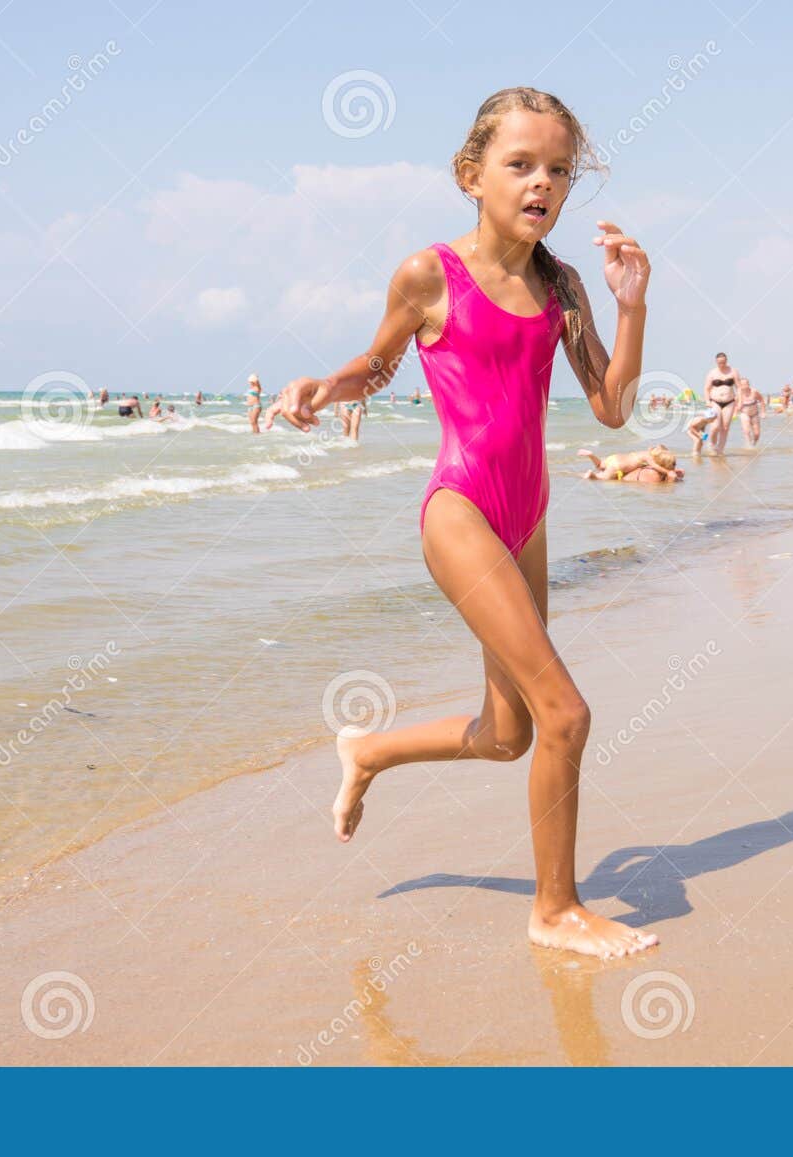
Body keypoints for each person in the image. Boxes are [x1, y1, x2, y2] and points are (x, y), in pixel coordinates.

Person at [275, 87, 658, 960]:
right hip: (461, 511)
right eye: (521, 165)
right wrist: (322, 387)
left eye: (559, 170)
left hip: (529, 517)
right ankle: (554, 909)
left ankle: (369, 752)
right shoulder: (428, 274)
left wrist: (631, 306)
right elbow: (379, 365)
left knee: (513, 731)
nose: (542, 184)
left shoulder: (561, 284)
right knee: (566, 712)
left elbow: (610, 408)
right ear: (470, 174)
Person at [702, 352, 742, 456]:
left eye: (723, 362)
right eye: (720, 363)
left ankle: (720, 450)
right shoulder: (712, 373)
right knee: (715, 426)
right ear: (716, 362)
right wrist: (707, 401)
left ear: (726, 361)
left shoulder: (733, 371)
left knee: (725, 427)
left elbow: (739, 387)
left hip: (729, 402)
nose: (722, 365)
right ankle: (711, 445)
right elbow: (707, 389)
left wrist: (740, 402)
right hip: (715, 401)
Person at [577, 444, 679, 481]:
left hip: (615, 457)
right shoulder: (649, 458)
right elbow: (655, 466)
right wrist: (667, 472)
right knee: (603, 478)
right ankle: (592, 475)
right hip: (618, 466)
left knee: (600, 465)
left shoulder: (645, 452)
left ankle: (591, 455)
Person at [736, 377, 763, 446]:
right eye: (742, 385)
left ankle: (754, 444)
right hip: (744, 414)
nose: (744, 386)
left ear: (748, 384)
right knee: (747, 431)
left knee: (757, 434)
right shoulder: (739, 392)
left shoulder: (754, 391)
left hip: (755, 414)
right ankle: (749, 446)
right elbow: (736, 405)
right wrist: (735, 412)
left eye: (746, 384)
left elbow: (762, 400)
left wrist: (763, 412)